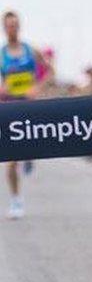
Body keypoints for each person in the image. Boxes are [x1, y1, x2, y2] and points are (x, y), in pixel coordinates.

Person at [0, 11, 48, 219]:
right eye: (9, 25)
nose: (12, 29)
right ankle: (16, 199)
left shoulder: (30, 50)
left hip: (29, 106)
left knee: (28, 147)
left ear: (19, 27)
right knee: (11, 158)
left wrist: (37, 87)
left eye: (15, 25)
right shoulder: (1, 54)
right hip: (10, 108)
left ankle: (30, 154)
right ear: (4, 28)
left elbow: (49, 71)